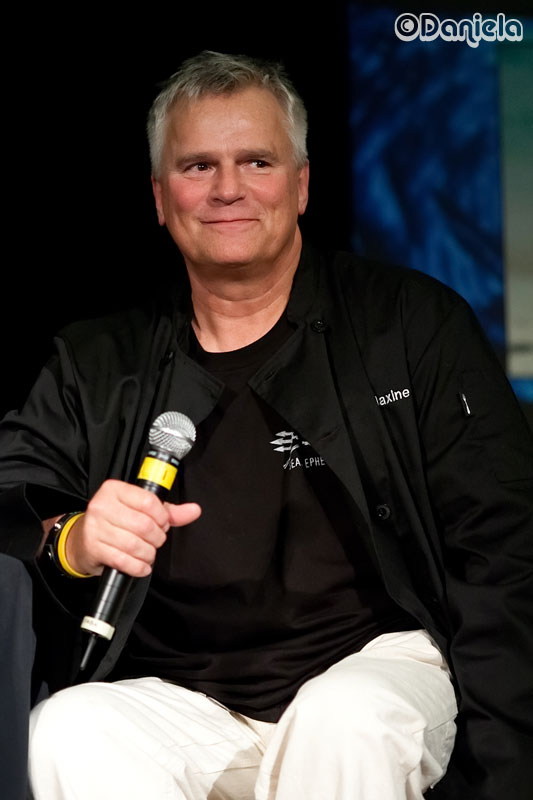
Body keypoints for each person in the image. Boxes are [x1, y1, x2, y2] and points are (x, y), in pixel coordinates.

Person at [0, 51, 531, 800]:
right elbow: (11, 500)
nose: (228, 188)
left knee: (340, 719)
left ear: (301, 184)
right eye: (198, 166)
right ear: (160, 197)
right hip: (187, 701)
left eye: (256, 161)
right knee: (66, 729)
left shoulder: (409, 323)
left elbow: (503, 545)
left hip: (378, 672)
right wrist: (76, 538)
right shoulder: (96, 361)